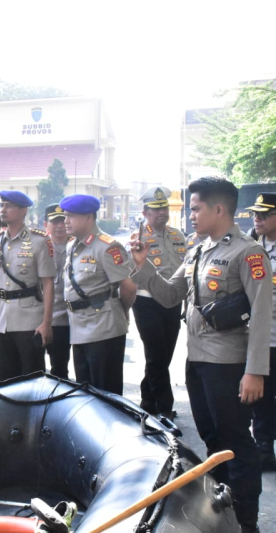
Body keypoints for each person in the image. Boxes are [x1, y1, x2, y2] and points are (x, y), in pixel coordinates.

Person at [129, 177, 270, 533]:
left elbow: (264, 314)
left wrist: (255, 371)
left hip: (230, 365)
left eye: (195, 208)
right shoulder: (196, 251)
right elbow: (167, 294)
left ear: (219, 209)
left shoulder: (247, 253)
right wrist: (143, 265)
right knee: (212, 439)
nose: (189, 215)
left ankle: (248, 521)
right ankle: (226, 511)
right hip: (198, 363)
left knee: (236, 441)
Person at [61, 194, 136, 395]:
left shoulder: (107, 246)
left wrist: (122, 311)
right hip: (79, 327)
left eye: (71, 216)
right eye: (65, 216)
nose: (65, 221)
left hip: (104, 327)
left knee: (106, 393)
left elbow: (128, 287)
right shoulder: (72, 245)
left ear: (89, 217)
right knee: (85, 392)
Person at [0, 191, 55, 380]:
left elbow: (48, 284)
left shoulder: (40, 240)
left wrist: (46, 323)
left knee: (32, 377)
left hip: (29, 318)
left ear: (23, 210)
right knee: (6, 376)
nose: (3, 210)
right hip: (1, 319)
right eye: (2, 205)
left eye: (9, 206)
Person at [130, 187, 186, 419]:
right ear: (145, 212)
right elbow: (131, 271)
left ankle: (147, 400)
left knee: (164, 355)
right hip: (147, 302)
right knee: (156, 355)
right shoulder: (137, 239)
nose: (161, 212)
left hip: (172, 302)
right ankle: (164, 408)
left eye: (163, 208)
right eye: (155, 209)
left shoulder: (178, 235)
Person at [246, 193, 276, 471]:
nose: (258, 219)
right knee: (263, 394)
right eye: (256, 214)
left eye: (265, 215)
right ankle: (264, 446)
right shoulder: (251, 244)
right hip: (261, 337)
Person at [43, 203, 71, 379]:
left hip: (70, 318)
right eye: (55, 221)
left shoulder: (79, 246)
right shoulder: (38, 247)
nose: (60, 225)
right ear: (46, 224)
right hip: (44, 317)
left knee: (61, 368)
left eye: (63, 220)